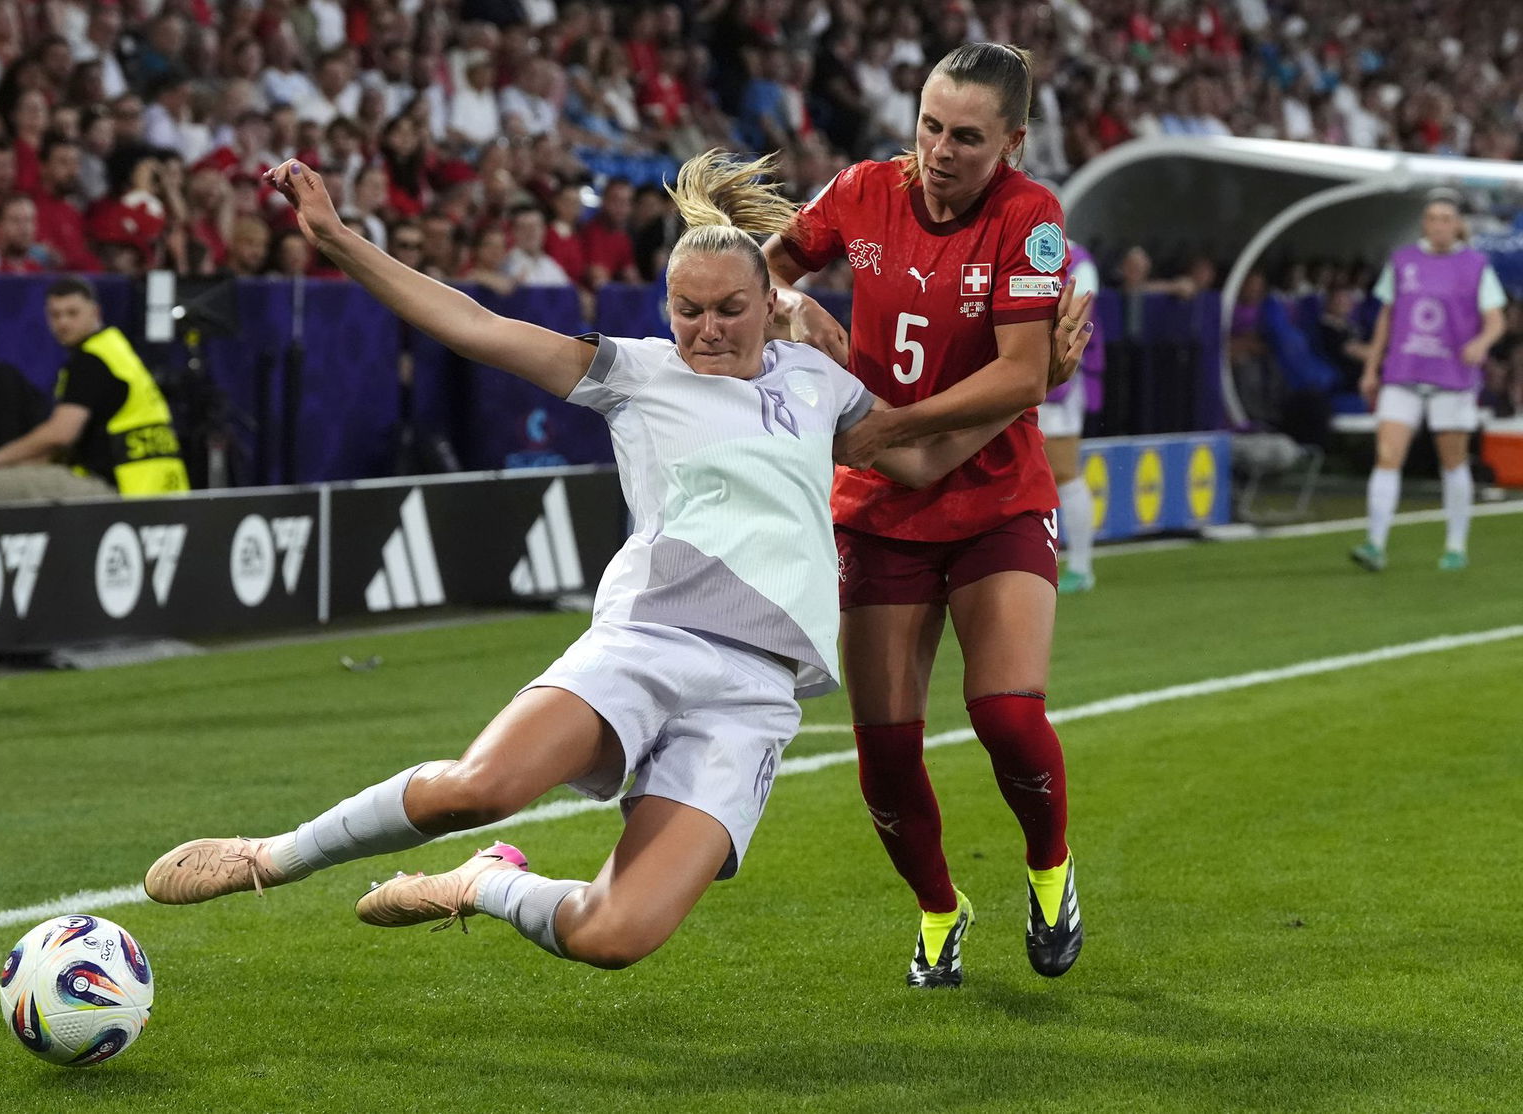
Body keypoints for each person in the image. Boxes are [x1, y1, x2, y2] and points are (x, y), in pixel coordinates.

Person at [141, 149, 1093, 973]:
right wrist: (342, 240)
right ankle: (274, 855)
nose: (707, 330)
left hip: (753, 696)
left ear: (773, 303)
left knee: (615, 935)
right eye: (687, 311)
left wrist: (1033, 384)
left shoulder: (819, 383)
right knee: (484, 786)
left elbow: (921, 457)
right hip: (645, 642)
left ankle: (482, 886)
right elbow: (476, 327)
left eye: (729, 309)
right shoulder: (637, 373)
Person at [762, 41, 1093, 989]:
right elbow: (765, 267)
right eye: (930, 127)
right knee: (887, 756)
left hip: (995, 497)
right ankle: (941, 910)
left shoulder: (1029, 218)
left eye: (968, 137)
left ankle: (1050, 868)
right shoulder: (863, 190)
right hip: (876, 505)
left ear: (1014, 143)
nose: (941, 152)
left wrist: (890, 424)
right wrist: (788, 300)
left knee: (1005, 713)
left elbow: (1023, 372)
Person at [1352, 193, 1507, 572]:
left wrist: (1481, 343)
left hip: (1451, 375)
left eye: (1445, 218)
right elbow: (1386, 317)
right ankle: (1375, 543)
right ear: (1425, 223)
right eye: (1432, 218)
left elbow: (1496, 319)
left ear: (1457, 225)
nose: (1438, 225)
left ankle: (1455, 545)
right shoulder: (1403, 261)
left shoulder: (1475, 266)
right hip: (1404, 370)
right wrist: (1372, 368)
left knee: (1452, 460)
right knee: (1387, 456)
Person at [0, 278, 190, 502]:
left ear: (95, 312)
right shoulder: (116, 350)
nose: (63, 323)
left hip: (119, 490)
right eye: (55, 315)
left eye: (72, 313)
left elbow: (61, 433)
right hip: (160, 486)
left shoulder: (91, 361)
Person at [1038, 240, 1104, 593]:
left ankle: (1080, 567)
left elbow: (1080, 320)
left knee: (1063, 471)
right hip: (1016, 373)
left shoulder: (1078, 259)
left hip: (1058, 379)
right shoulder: (1012, 243)